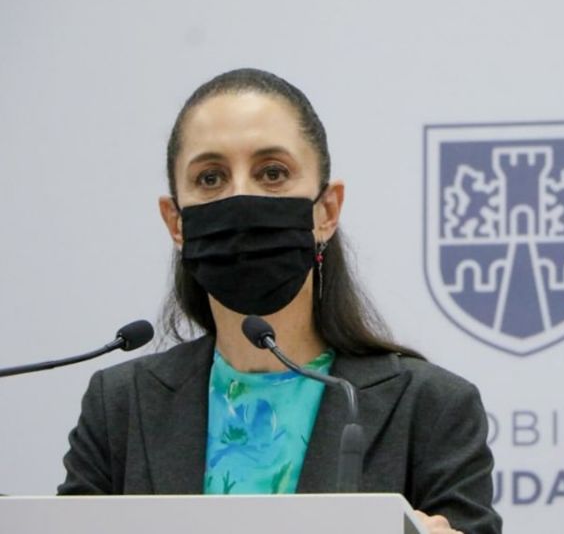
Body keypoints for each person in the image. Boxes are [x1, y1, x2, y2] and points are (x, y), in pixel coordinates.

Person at [58, 68, 502, 534]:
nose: (241, 199)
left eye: (272, 173)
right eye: (210, 178)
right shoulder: (118, 407)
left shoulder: (432, 408)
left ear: (326, 210)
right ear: (176, 222)